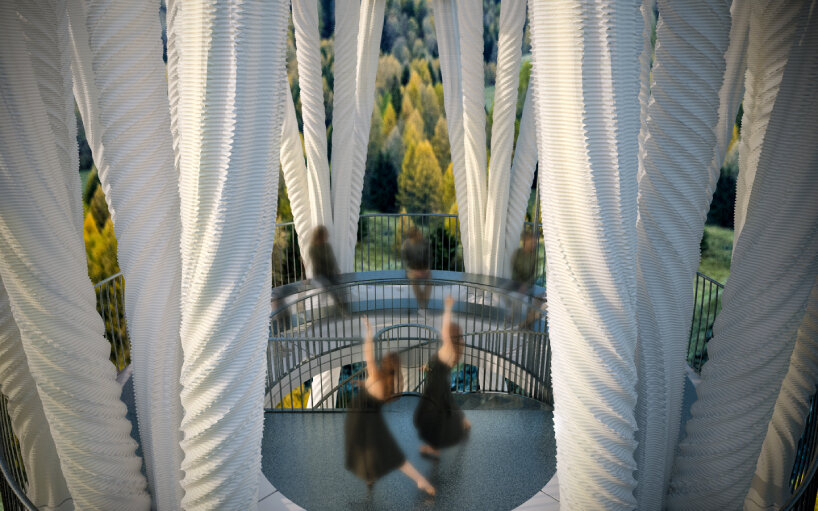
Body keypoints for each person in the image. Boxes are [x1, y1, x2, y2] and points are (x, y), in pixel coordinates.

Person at [345, 317, 436, 496]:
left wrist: (369, 331)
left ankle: (376, 475)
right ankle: (375, 475)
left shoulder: (374, 375)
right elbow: (373, 392)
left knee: (370, 448)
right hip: (373, 419)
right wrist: (363, 384)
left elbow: (368, 352)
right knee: (383, 450)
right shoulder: (390, 387)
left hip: (359, 418)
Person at [413, 296, 471, 459]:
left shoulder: (448, 348)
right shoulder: (451, 350)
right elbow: (439, 366)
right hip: (440, 384)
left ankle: (434, 447)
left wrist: (448, 308)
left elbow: (445, 327)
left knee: (430, 416)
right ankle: (463, 422)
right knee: (448, 405)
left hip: (435, 388)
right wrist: (428, 367)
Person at [307, 225, 348, 313]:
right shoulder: (312, 248)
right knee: (331, 288)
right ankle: (341, 310)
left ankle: (345, 308)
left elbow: (333, 260)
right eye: (325, 234)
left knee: (342, 288)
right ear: (319, 236)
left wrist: (337, 271)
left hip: (330, 273)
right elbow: (317, 265)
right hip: (319, 275)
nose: (327, 236)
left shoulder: (327, 246)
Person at [401, 227, 432, 308]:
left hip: (423, 270)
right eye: (418, 235)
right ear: (412, 237)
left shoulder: (425, 243)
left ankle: (423, 305)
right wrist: (414, 271)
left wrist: (427, 269)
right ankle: (423, 306)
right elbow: (405, 263)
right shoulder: (405, 245)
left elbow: (429, 258)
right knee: (414, 280)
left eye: (420, 233)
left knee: (430, 280)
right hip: (411, 270)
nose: (420, 236)